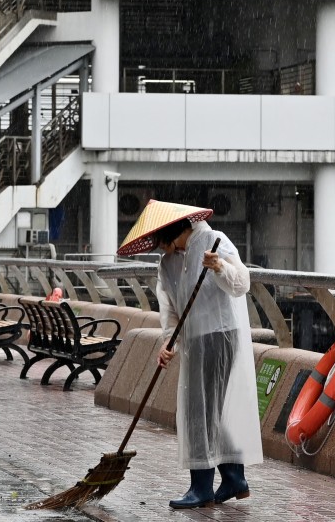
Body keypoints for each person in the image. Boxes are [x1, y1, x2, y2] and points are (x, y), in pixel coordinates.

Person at [116, 199, 263, 509]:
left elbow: (242, 284)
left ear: (172, 232)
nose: (158, 248)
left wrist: (219, 266)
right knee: (209, 408)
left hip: (220, 335)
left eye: (159, 241)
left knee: (200, 409)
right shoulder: (167, 264)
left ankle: (202, 486)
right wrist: (168, 342)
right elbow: (169, 308)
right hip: (194, 340)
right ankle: (234, 477)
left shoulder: (213, 241)